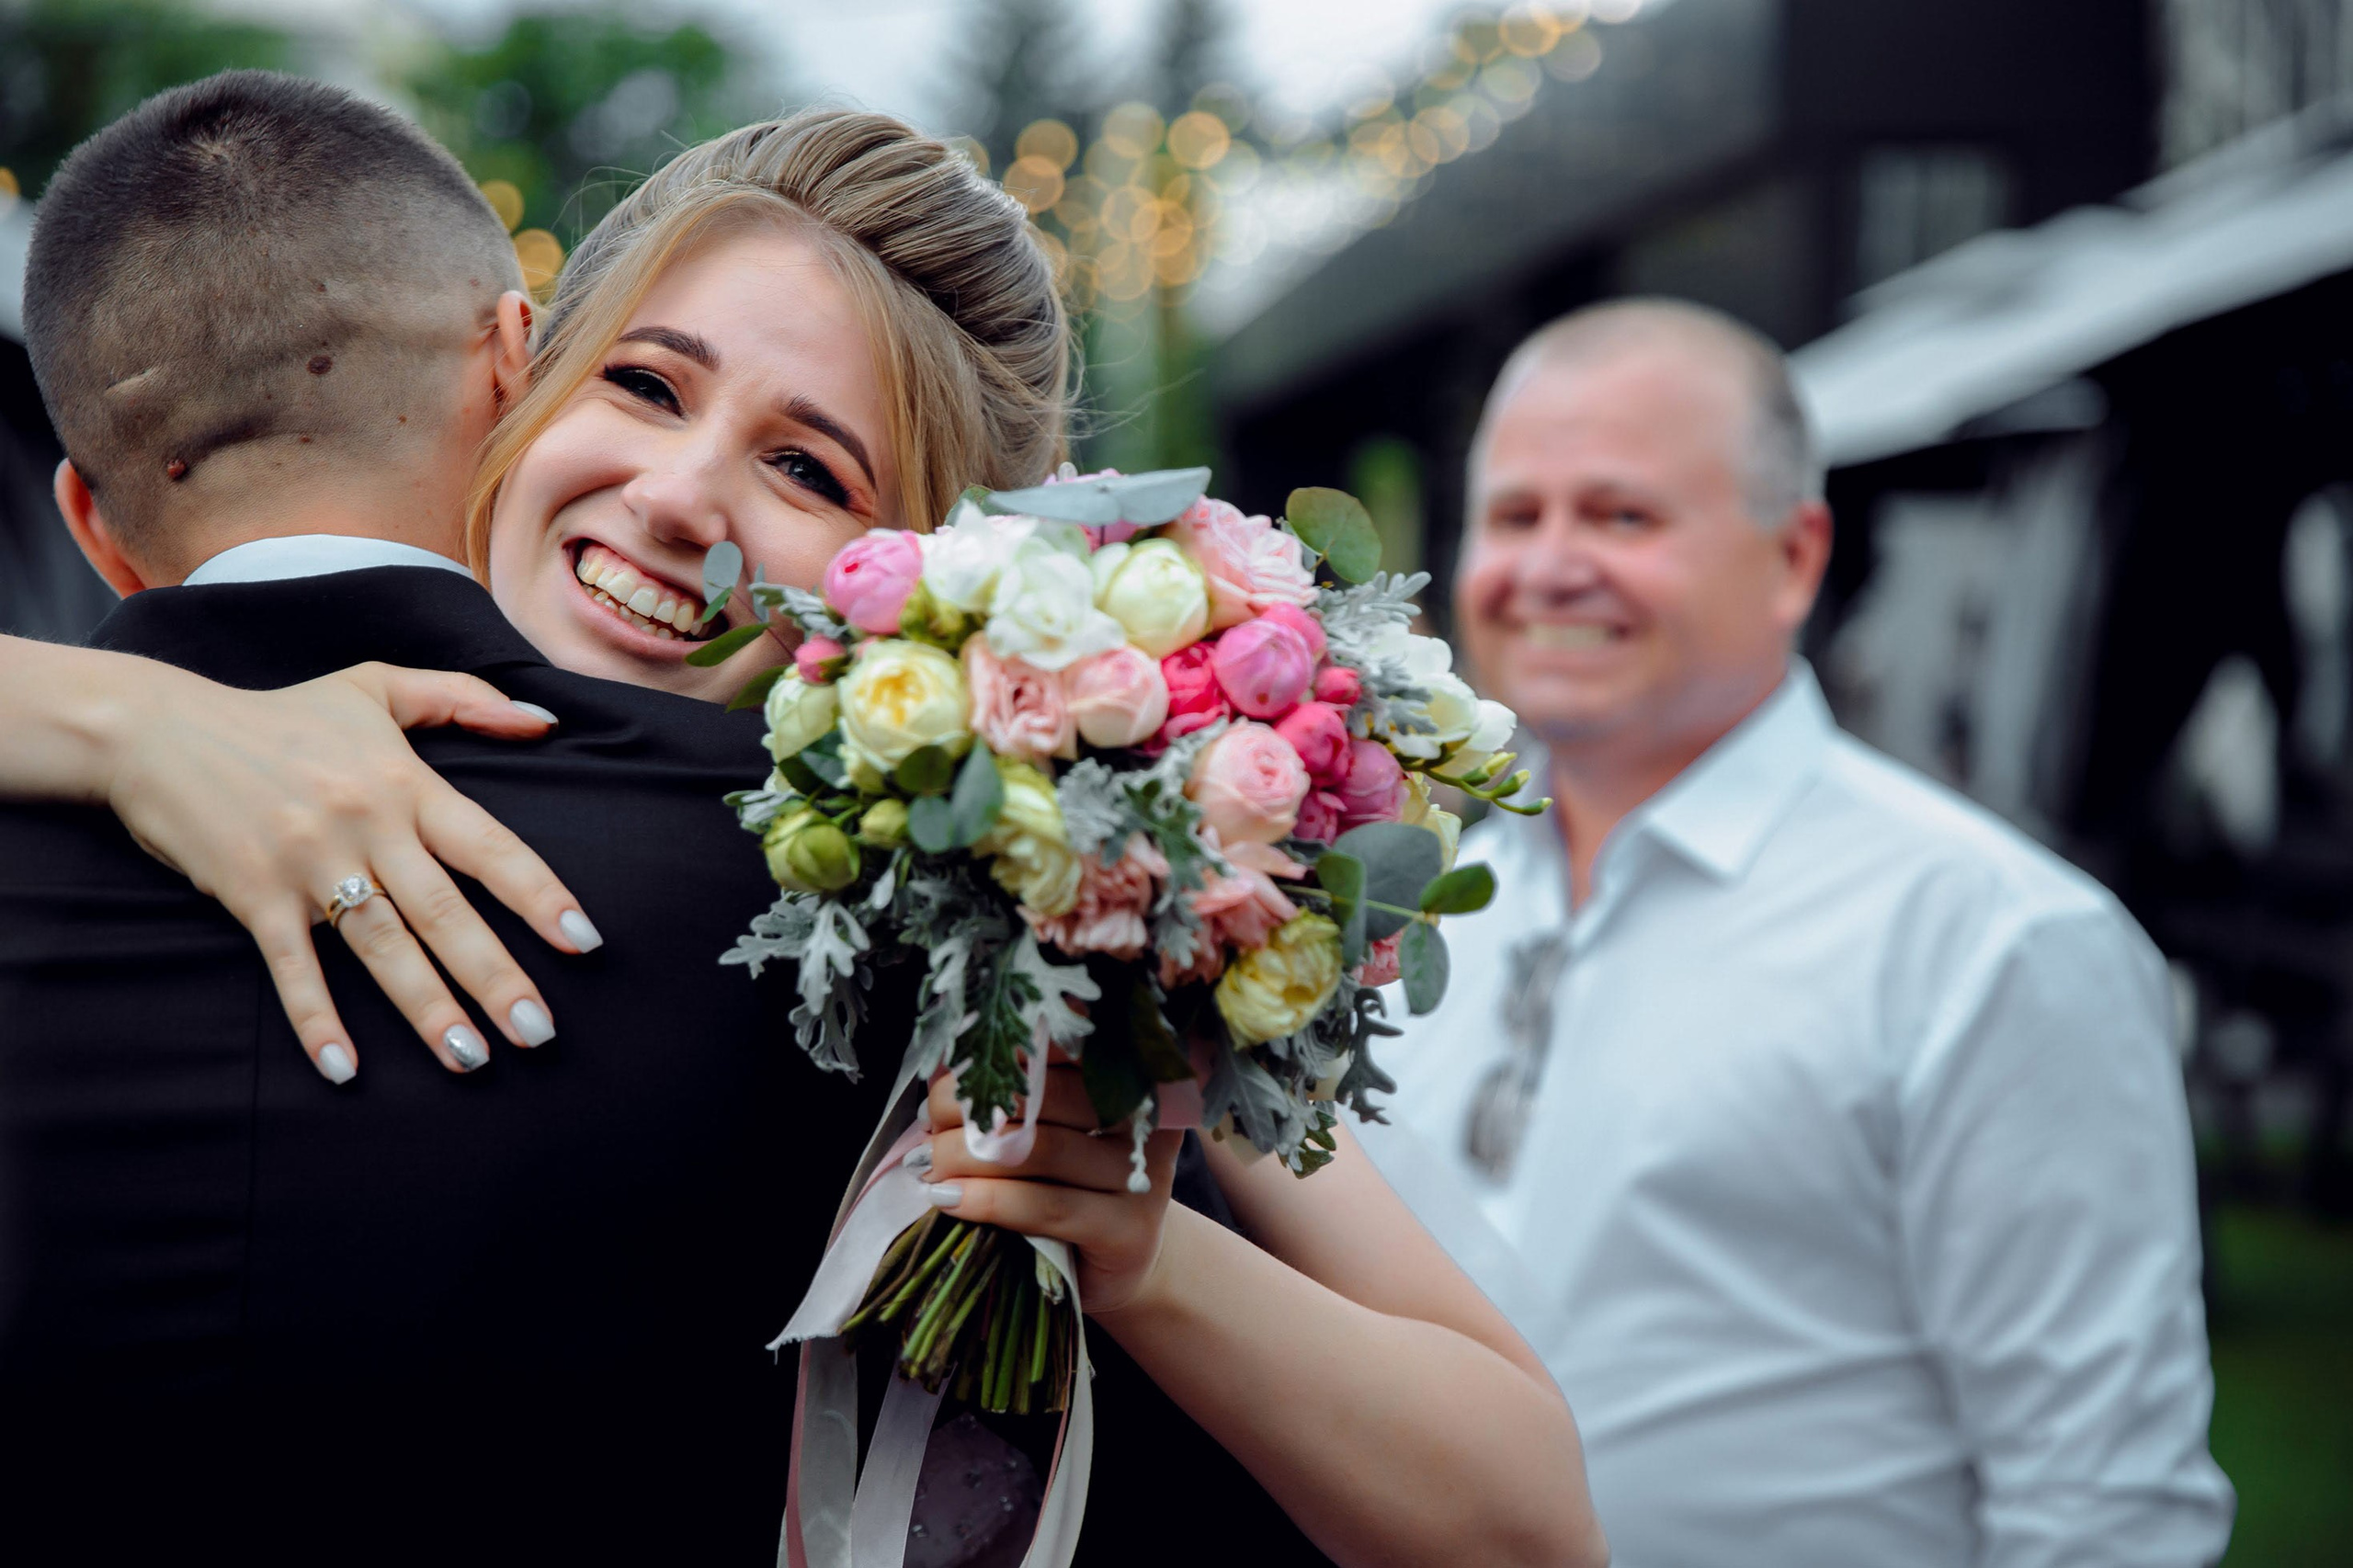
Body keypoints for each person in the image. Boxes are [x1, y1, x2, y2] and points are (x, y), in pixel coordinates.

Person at [0, 74, 1603, 1568]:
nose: (682, 495)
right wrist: (131, 716)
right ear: (517, 377)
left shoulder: (1008, 939)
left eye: (808, 470)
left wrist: (1140, 1246)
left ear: (934, 604)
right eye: (644, 383)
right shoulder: (162, 736)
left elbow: (1534, 1516)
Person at [1365, 299, 2236, 1567]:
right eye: (1513, 515)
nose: (1548, 566)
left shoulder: (1991, 937)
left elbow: (2103, 1503)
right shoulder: (1413, 902)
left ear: (1795, 555)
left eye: (1622, 515)